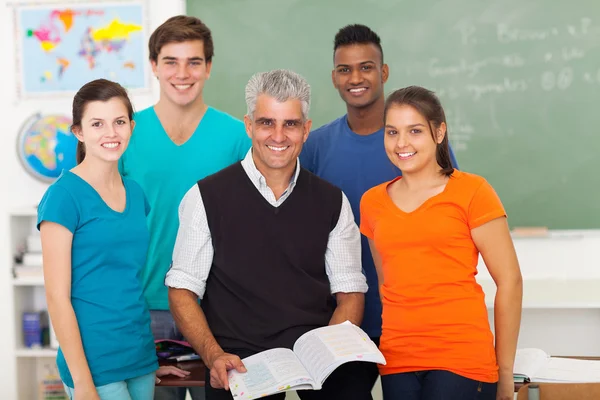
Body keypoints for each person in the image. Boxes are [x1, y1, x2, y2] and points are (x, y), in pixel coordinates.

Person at [165, 69, 374, 400]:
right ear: (249, 126)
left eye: (290, 124)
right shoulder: (205, 197)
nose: (278, 136)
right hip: (239, 359)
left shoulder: (333, 201)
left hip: (314, 352)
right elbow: (181, 291)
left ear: (306, 130)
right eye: (267, 123)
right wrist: (213, 355)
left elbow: (350, 294)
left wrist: (327, 357)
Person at [299, 24, 459, 390]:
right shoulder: (315, 146)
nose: (356, 77)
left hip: (412, 322)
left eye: (366, 67)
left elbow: (451, 218)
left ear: (383, 72)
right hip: (340, 321)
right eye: (345, 69)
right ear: (335, 78)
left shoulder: (417, 144)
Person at [359, 85, 523, 400]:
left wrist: (504, 375)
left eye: (415, 131)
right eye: (392, 132)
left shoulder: (473, 192)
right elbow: (387, 285)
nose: (401, 143)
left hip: (461, 359)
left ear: (439, 132)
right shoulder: (372, 203)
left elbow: (511, 282)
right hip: (398, 361)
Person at [119, 15, 251, 400]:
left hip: (219, 308)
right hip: (145, 306)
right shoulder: (124, 134)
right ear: (154, 67)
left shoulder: (237, 138)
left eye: (194, 62)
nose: (183, 73)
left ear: (208, 68)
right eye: (171, 62)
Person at [38, 79, 190, 400]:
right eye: (97, 124)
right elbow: (57, 298)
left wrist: (148, 360)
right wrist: (81, 382)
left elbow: (128, 282)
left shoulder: (135, 193)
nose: (111, 133)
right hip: (93, 364)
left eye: (119, 122)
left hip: (138, 357)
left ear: (131, 127)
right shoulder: (63, 197)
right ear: (79, 132)